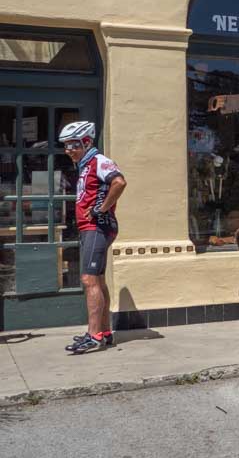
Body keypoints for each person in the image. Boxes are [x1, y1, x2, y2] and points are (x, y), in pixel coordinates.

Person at [61, 121, 126, 354]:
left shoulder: (99, 161)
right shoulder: (86, 164)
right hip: (91, 227)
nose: (68, 150)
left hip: (97, 227)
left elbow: (119, 182)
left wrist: (101, 209)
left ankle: (94, 335)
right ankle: (104, 332)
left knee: (89, 280)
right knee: (98, 280)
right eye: (66, 146)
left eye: (73, 145)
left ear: (87, 142)